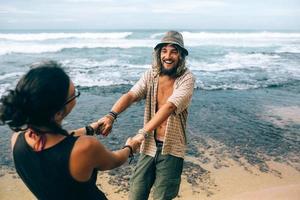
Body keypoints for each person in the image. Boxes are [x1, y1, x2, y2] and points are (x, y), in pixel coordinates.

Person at [0, 60, 142, 200]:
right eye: (75, 94)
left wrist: (89, 129)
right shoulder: (86, 147)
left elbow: (58, 143)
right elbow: (114, 161)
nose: (75, 97)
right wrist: (130, 147)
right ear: (58, 113)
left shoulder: (17, 140)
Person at [98, 31, 195, 200]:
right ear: (159, 54)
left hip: (171, 148)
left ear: (181, 55)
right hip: (148, 145)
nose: (168, 56)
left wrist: (141, 133)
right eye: (164, 51)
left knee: (162, 197)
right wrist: (111, 115)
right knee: (136, 194)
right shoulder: (151, 74)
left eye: (174, 51)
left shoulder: (187, 78)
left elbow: (169, 106)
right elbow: (131, 95)